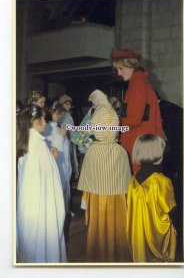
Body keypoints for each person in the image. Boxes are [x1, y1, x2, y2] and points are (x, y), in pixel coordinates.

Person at [77, 89, 131, 262]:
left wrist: (85, 201)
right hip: (117, 201)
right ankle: (119, 254)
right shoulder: (121, 152)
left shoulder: (93, 151)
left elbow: (86, 185)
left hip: (98, 201)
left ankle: (99, 256)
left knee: (99, 227)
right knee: (118, 224)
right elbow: (126, 186)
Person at [16, 105, 66, 263]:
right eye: (44, 118)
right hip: (41, 208)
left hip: (29, 205)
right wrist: (54, 159)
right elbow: (49, 179)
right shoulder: (38, 146)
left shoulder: (27, 142)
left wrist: (50, 158)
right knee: (44, 248)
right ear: (36, 122)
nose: (46, 121)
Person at [126, 134, 177, 263]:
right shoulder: (162, 181)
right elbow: (171, 210)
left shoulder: (133, 179)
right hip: (157, 239)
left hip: (138, 238)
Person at [111, 49, 163, 173]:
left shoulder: (137, 84)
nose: (119, 73)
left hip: (138, 145)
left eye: (121, 68)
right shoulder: (140, 82)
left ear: (130, 65)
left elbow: (134, 118)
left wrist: (113, 126)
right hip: (144, 143)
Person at [155, 91, 183, 261]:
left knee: (174, 188)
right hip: (176, 151)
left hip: (175, 152)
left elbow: (174, 134)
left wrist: (169, 149)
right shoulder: (169, 106)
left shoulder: (166, 109)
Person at [44, 99, 72, 215]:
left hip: (63, 162)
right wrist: (61, 136)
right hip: (57, 163)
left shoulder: (56, 126)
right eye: (57, 113)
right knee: (59, 188)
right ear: (50, 113)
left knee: (65, 186)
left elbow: (65, 146)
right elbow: (53, 147)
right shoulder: (48, 129)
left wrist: (64, 137)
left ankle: (65, 210)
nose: (59, 115)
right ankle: (59, 212)